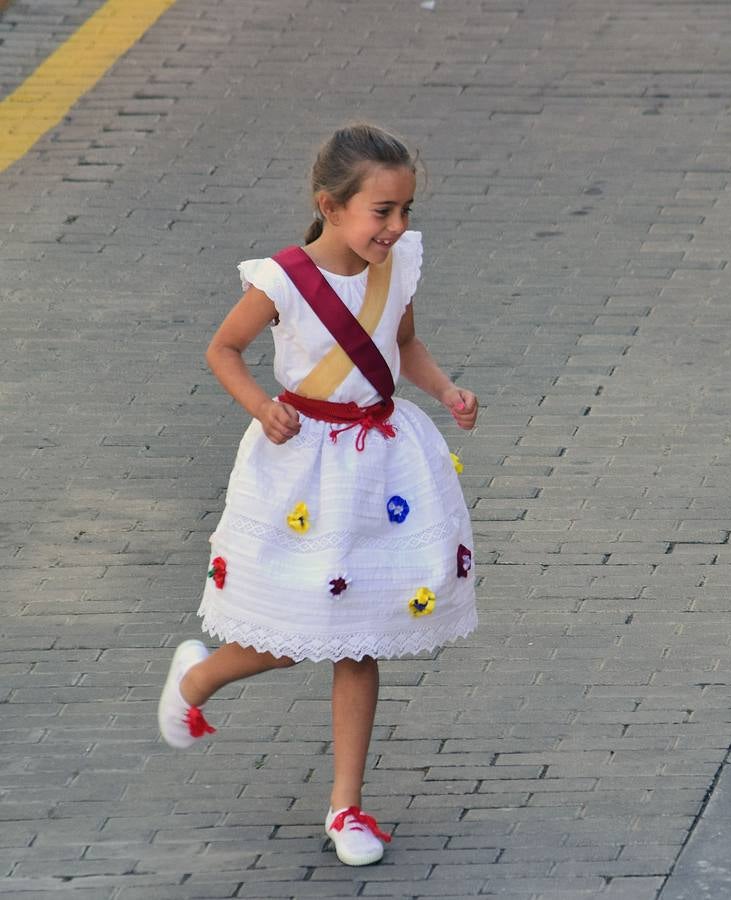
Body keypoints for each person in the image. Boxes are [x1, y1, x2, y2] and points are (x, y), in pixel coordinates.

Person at [157, 123, 480, 866]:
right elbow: (223, 348)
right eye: (382, 212)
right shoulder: (282, 280)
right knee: (294, 630)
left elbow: (402, 347)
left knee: (358, 637)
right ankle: (199, 675)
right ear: (330, 206)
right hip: (303, 471)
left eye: (404, 211)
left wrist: (445, 388)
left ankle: (347, 808)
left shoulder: (398, 266)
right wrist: (259, 406)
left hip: (382, 469)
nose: (397, 227)